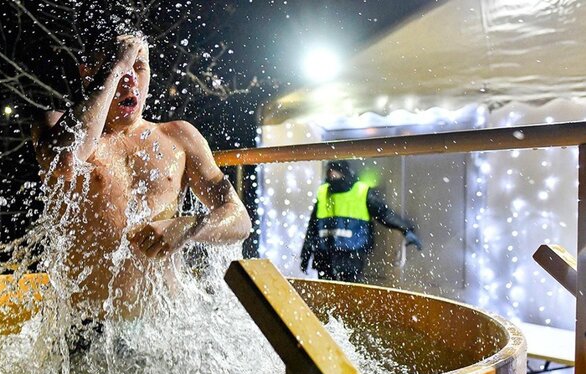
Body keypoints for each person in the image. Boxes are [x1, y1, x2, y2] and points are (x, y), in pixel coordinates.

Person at [32, 34, 251, 321]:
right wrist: (117, 66)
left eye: (139, 67)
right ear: (88, 74)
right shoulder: (56, 126)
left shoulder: (179, 137)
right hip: (87, 327)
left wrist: (187, 226)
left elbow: (239, 219)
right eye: (120, 67)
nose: (130, 79)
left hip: (166, 326)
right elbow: (65, 161)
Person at [300, 160, 422, 283]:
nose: (332, 176)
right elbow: (312, 228)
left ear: (344, 173)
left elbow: (383, 214)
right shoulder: (323, 192)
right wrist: (305, 255)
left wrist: (405, 229)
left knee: (349, 292)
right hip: (325, 257)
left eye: (335, 172)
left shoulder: (361, 191)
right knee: (327, 292)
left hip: (350, 256)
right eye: (330, 173)